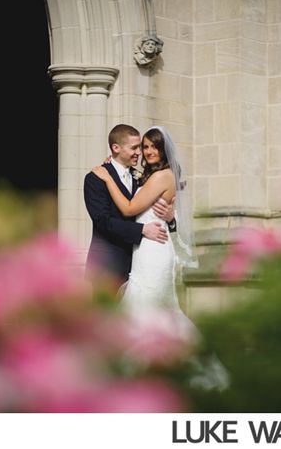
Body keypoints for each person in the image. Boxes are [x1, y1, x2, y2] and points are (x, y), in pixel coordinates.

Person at [91, 126, 228, 391]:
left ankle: (143, 378)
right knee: (155, 310)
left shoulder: (161, 177)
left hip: (154, 250)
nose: (148, 151)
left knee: (146, 308)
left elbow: (130, 208)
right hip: (145, 249)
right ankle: (151, 375)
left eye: (154, 146)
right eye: (144, 147)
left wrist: (108, 179)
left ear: (165, 149)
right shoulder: (148, 176)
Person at [84, 124, 174, 292]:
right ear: (116, 148)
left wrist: (171, 218)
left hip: (141, 262)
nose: (139, 153)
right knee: (107, 318)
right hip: (108, 265)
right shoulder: (95, 178)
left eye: (140, 147)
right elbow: (103, 222)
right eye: (134, 148)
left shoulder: (142, 178)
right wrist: (141, 230)